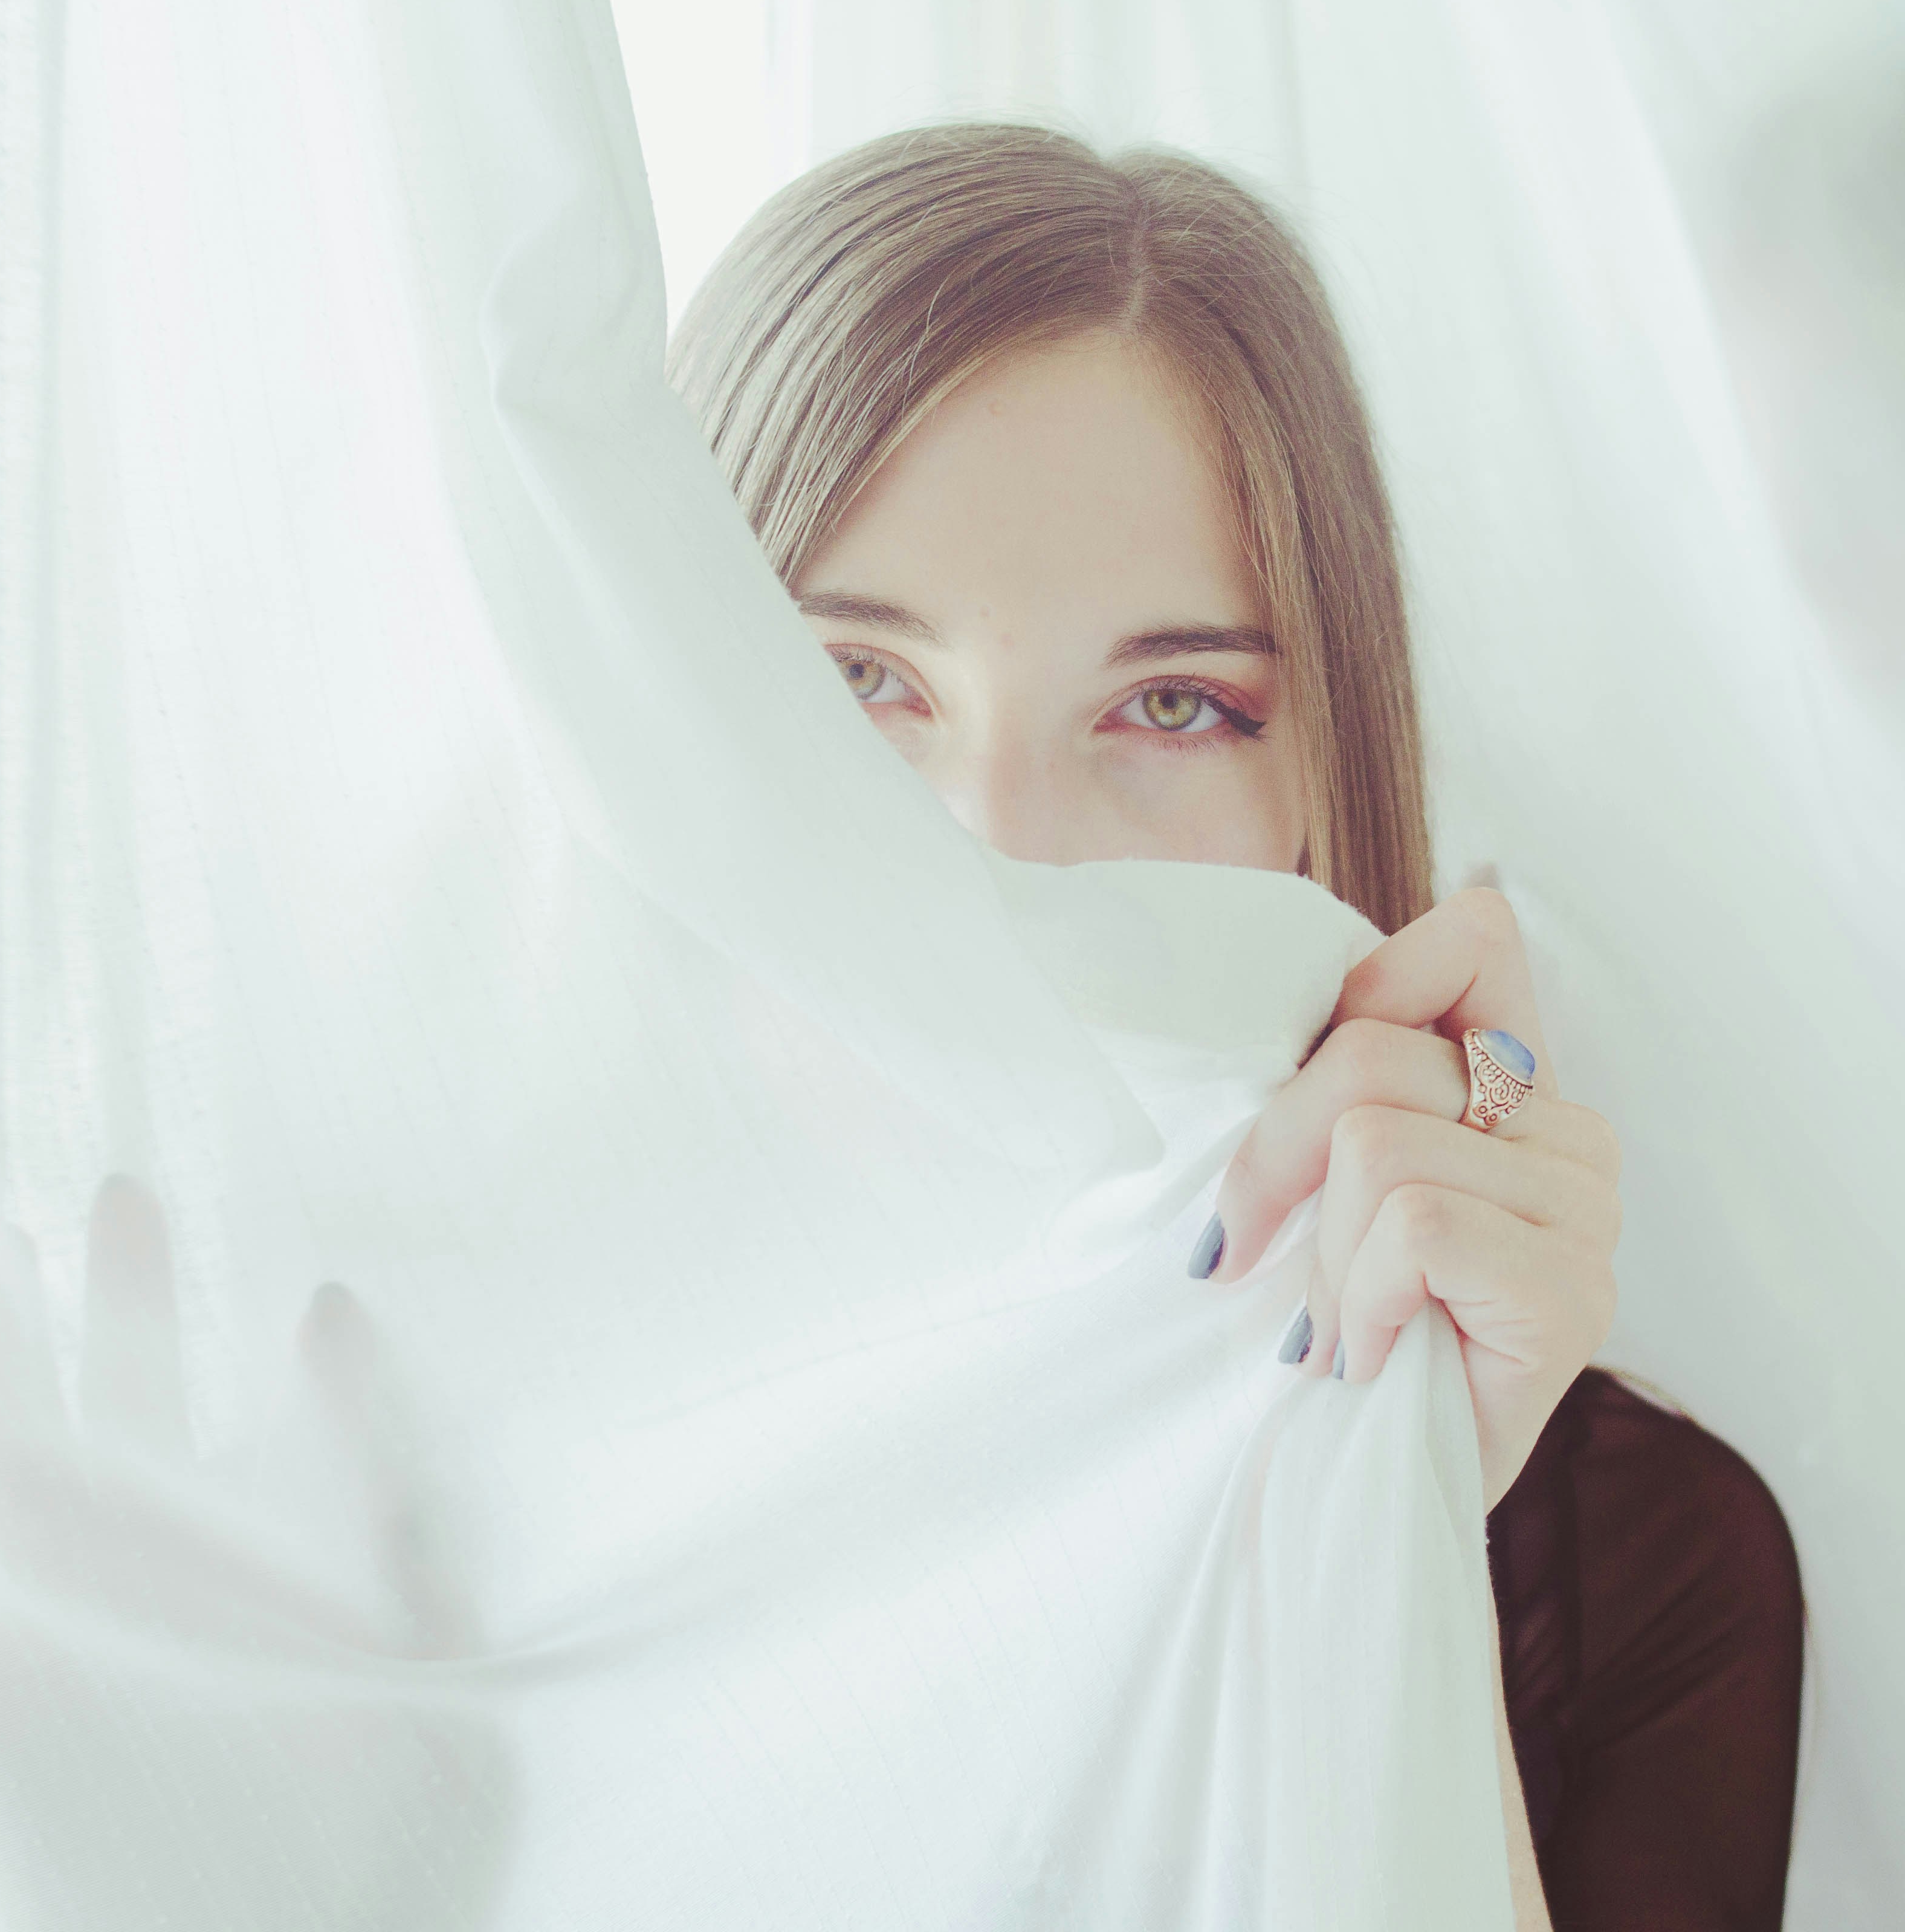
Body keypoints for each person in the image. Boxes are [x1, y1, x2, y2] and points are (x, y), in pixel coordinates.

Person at [670, 122, 1806, 1930]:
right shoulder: (352, 1458)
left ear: (1319, 785)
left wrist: (1390, 1528)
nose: (1005, 858)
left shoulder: (1625, 1561)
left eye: (1174, 704)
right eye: (859, 679)